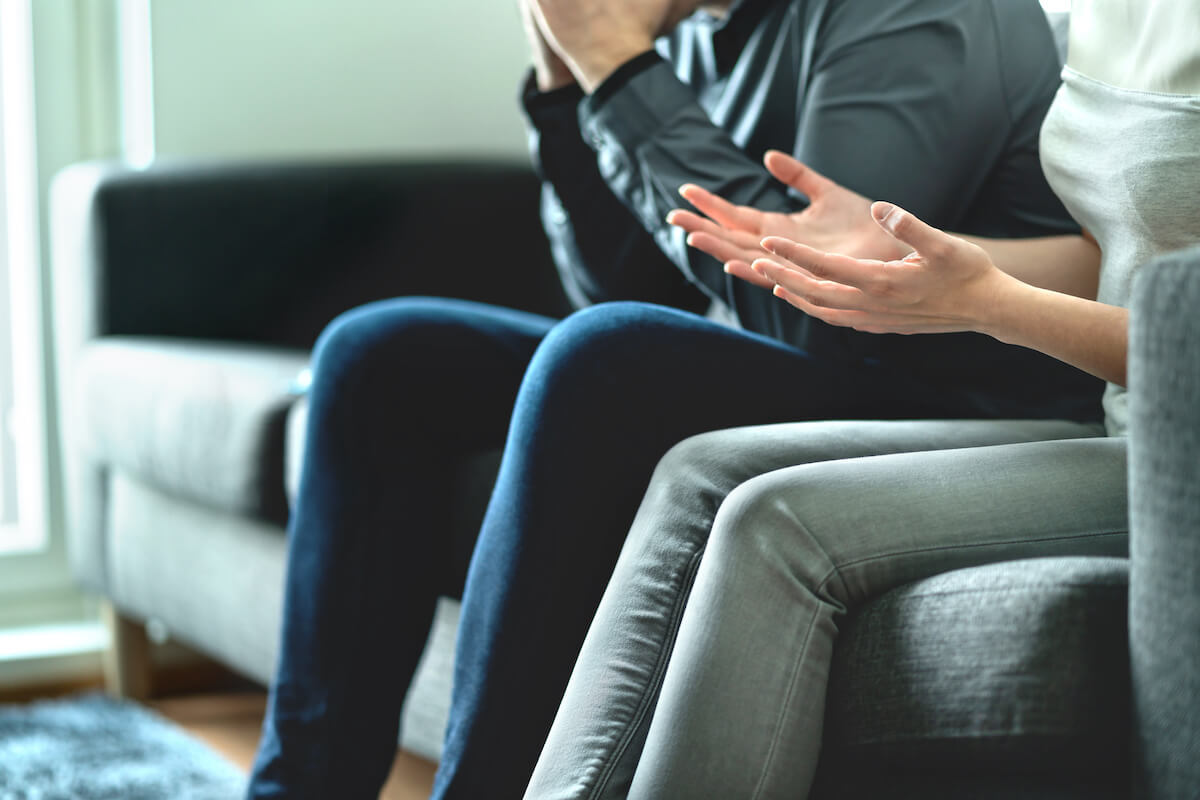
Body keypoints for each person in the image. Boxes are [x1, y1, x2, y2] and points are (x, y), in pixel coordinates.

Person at [244, 0, 1098, 797]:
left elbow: (818, 314)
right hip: (816, 357)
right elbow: (619, 287)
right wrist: (564, 79)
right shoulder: (692, 26)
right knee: (382, 355)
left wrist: (618, 70)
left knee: (606, 361)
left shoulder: (908, 15)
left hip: (953, 394)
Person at [525, 0, 1200, 796]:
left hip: (1176, 460)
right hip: (1123, 420)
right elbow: (1131, 258)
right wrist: (911, 262)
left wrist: (993, 305)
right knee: (706, 471)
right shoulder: (1111, 16)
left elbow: (1177, 321)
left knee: (771, 522)